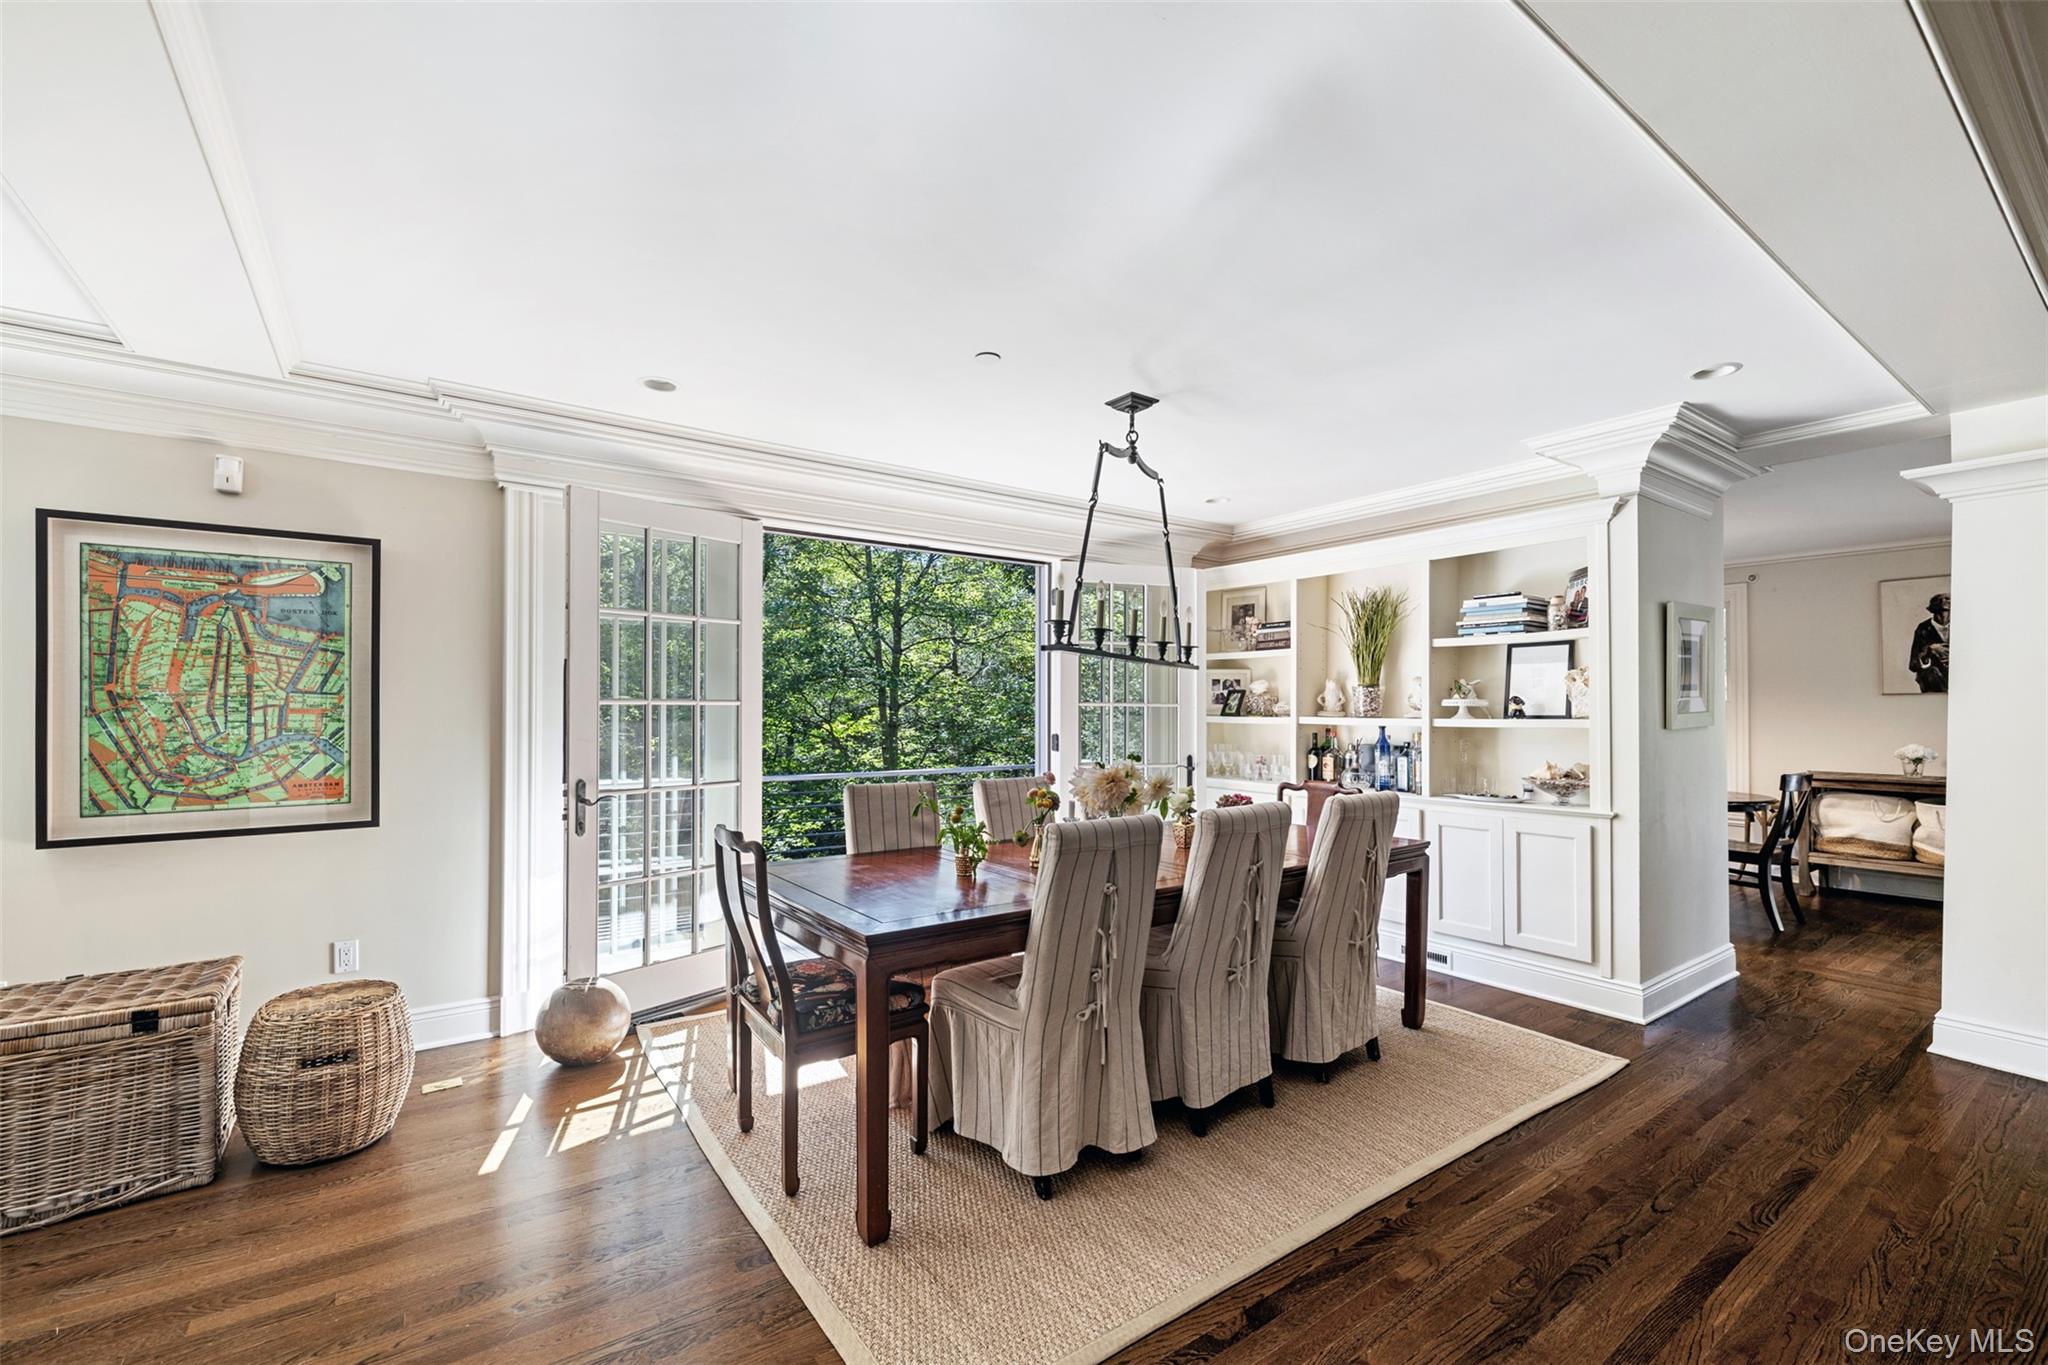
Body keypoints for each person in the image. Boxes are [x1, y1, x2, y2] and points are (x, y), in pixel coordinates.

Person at [1909, 592, 1950, 693]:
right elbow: (1913, 665)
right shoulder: (1922, 628)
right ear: (1932, 609)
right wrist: (1928, 651)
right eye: (1938, 600)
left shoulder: (1964, 626)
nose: (1943, 601)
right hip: (1932, 682)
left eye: (1947, 599)